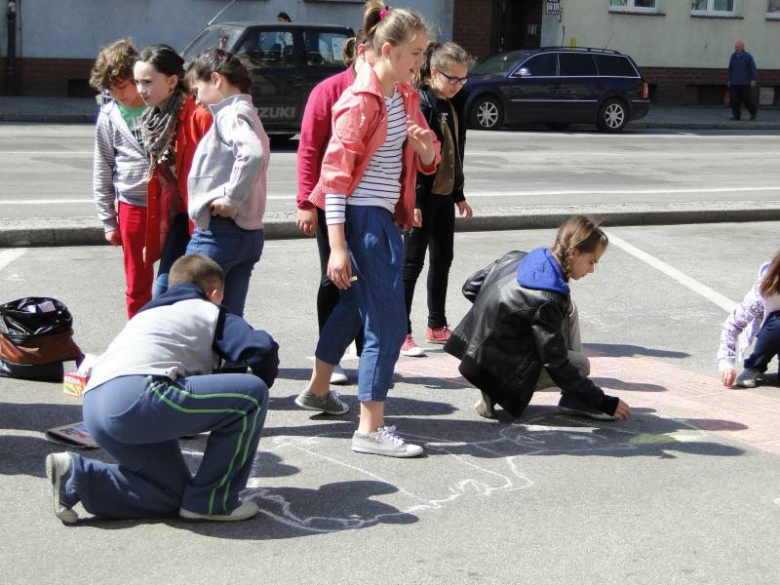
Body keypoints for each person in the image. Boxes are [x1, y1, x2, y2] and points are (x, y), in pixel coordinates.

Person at [295, 0, 440, 458]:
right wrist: (337, 246)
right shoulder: (360, 101)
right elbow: (334, 178)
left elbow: (429, 158)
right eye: (415, 52)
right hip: (364, 219)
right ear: (389, 50)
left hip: (380, 217)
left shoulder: (404, 96)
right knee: (387, 322)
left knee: (356, 308)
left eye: (423, 52)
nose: (421, 61)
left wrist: (425, 151)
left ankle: (318, 389)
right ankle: (370, 429)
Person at [45, 254, 279, 524]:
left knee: (172, 494)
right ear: (215, 294)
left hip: (95, 405)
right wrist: (265, 381)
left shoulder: (148, 314)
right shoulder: (206, 310)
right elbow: (262, 349)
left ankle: (76, 476)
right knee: (251, 394)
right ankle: (214, 501)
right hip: (139, 396)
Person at [444, 216, 631, 422]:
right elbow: (556, 363)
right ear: (574, 252)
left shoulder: (517, 257)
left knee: (569, 309)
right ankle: (498, 389)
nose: (592, 269)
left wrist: (500, 318)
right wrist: (603, 401)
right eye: (591, 262)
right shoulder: (548, 299)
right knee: (580, 365)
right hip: (493, 366)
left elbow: (470, 287)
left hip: (472, 350)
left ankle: (494, 381)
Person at [296, 31, 375, 384]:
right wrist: (305, 202)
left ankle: (367, 353)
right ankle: (329, 357)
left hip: (371, 203)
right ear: (362, 51)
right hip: (332, 199)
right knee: (336, 276)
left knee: (367, 278)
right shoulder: (328, 90)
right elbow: (309, 149)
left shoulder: (388, 92)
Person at [400, 41, 474, 357]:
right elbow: (414, 156)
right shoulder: (423, 103)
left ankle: (437, 324)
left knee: (443, 259)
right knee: (412, 263)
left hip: (444, 194)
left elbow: (456, 151)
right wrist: (414, 202)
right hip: (423, 195)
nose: (458, 85)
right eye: (451, 78)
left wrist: (458, 194)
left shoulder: (455, 103)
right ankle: (401, 329)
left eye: (463, 79)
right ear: (433, 71)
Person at [185, 49, 270, 318]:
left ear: (216, 80)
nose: (197, 100)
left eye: (197, 90)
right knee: (228, 319)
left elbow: (252, 153)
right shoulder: (248, 112)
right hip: (248, 232)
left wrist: (231, 199)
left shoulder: (230, 114)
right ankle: (230, 349)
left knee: (183, 308)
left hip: (221, 231)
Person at [134, 45, 212, 298]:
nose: (140, 89)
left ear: (171, 81)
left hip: (203, 217)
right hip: (180, 215)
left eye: (147, 82)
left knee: (197, 295)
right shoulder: (154, 117)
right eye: (137, 82)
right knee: (163, 290)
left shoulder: (198, 114)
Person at [90, 39, 153, 319]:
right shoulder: (110, 116)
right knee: (137, 283)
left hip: (168, 204)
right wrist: (108, 220)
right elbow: (103, 168)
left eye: (122, 87)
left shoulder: (158, 105)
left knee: (174, 277)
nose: (118, 94)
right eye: (111, 90)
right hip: (132, 206)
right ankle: (138, 334)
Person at [718, 252, 780, 388]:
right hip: (772, 330)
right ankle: (754, 366)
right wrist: (726, 363)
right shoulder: (762, 294)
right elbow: (733, 325)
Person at [728, 40, 758, 121]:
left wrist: (753, 79)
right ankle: (736, 116)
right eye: (735, 47)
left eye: (738, 47)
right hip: (735, 82)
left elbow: (752, 68)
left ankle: (753, 112)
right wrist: (729, 79)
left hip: (745, 82)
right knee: (735, 100)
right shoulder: (733, 56)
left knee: (746, 99)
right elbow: (730, 69)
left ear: (742, 47)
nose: (736, 49)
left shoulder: (748, 56)